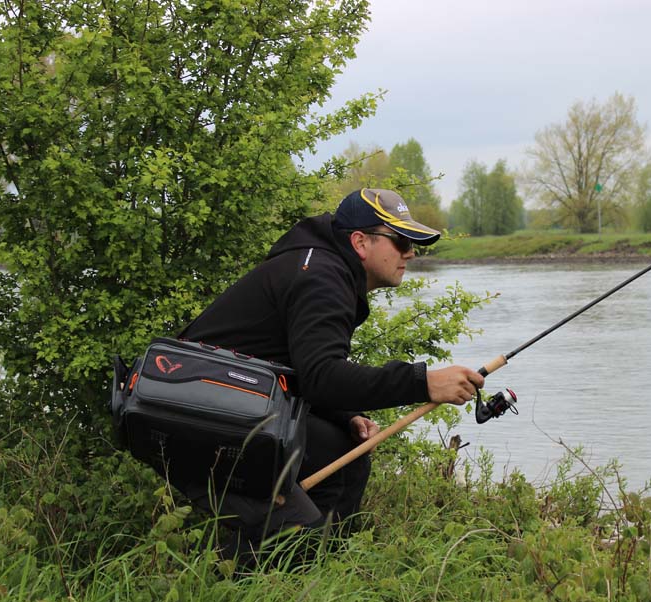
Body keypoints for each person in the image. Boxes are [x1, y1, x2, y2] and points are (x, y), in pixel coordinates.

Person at [176, 188, 484, 556]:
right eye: (400, 241)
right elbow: (322, 376)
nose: (410, 253)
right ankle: (263, 586)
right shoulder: (321, 278)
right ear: (360, 242)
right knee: (296, 538)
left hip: (230, 405)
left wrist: (344, 415)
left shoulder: (321, 267)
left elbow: (297, 369)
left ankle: (320, 569)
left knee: (345, 451)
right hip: (198, 416)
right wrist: (423, 382)